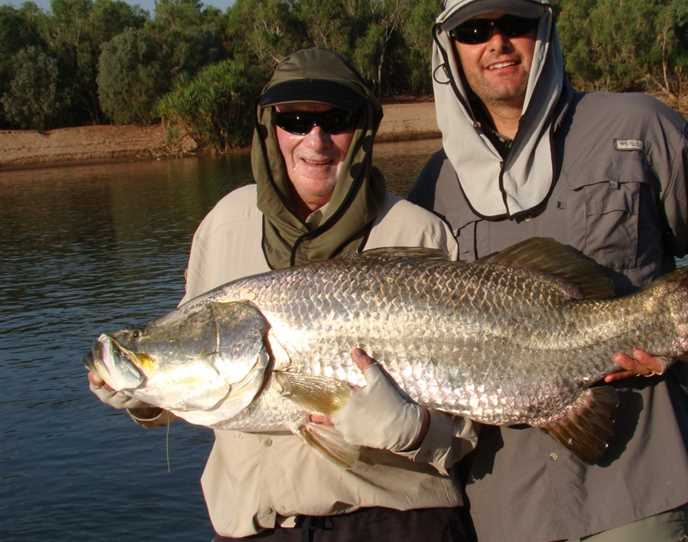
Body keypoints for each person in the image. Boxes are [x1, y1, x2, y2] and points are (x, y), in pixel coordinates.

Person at [408, 1, 688, 541]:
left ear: (544, 31)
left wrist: (671, 343)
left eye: (516, 24)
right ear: (449, 49)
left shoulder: (640, 126)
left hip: (638, 487)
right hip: (505, 507)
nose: (497, 42)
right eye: (474, 30)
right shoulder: (434, 183)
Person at [88, 48, 478, 542]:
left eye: (335, 120)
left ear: (362, 131)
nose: (315, 140)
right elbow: (205, 370)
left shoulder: (419, 234)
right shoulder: (222, 224)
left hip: (399, 522)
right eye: (295, 120)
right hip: (253, 524)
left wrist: (414, 431)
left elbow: (472, 424)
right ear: (271, 130)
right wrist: (141, 394)